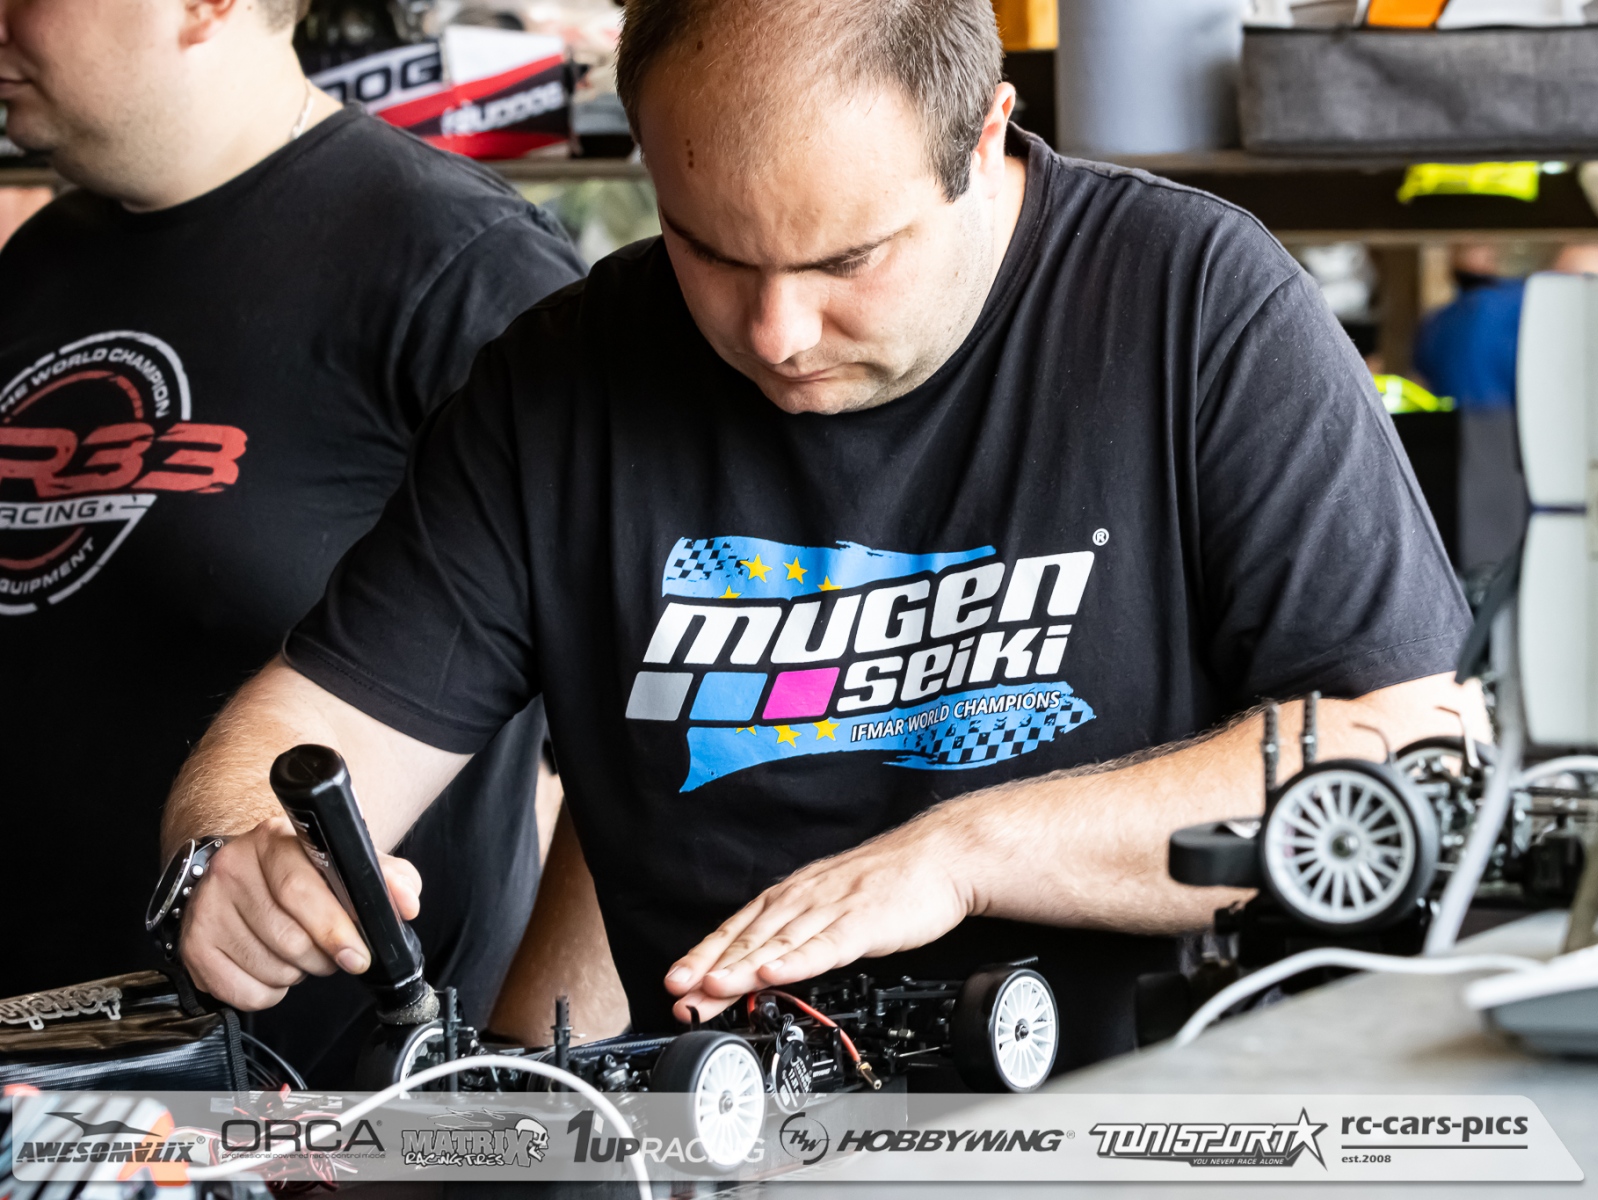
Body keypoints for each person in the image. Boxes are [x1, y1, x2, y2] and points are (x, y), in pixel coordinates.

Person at [163, 0, 1484, 1070]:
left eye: (848, 261)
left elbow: (1415, 745)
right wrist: (235, 855)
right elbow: (305, 730)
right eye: (710, 251)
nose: (777, 333)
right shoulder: (563, 381)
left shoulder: (1193, 305)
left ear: (985, 136)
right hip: (733, 1137)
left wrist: (967, 853)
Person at [0, 0, 587, 1083]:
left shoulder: (463, 266)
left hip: (324, 1107)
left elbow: (640, 714)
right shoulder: (41, 260)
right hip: (49, 1074)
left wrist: (531, 1075)